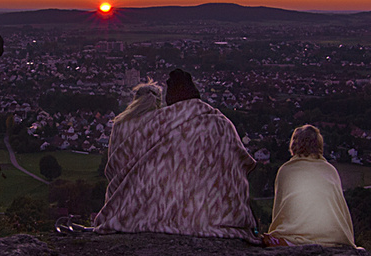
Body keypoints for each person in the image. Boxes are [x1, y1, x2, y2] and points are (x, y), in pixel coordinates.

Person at [93, 69, 257, 239]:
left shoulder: (137, 125)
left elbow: (117, 168)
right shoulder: (221, 123)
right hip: (218, 213)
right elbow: (243, 162)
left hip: (152, 210)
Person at [264, 124, 362, 248]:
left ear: (294, 144)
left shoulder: (286, 170)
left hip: (295, 236)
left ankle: (292, 240)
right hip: (335, 236)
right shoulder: (330, 170)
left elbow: (280, 211)